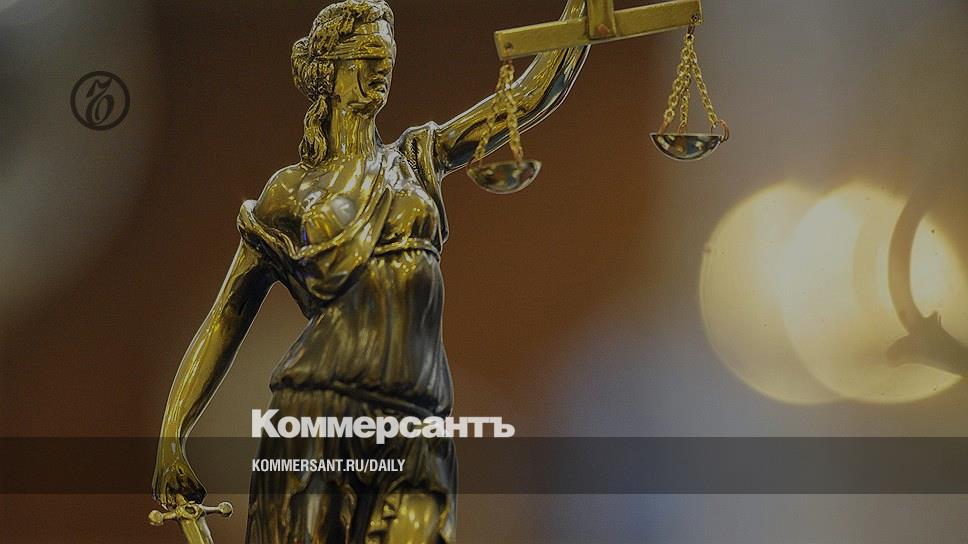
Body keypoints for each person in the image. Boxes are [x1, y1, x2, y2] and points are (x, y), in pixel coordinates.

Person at [152, 1, 588, 541]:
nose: (382, 68)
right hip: (319, 410)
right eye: (367, 55)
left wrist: (581, 18)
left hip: (417, 413)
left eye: (388, 57)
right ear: (329, 71)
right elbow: (225, 318)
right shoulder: (289, 193)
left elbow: (525, 99)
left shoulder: (417, 158)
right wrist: (172, 437)